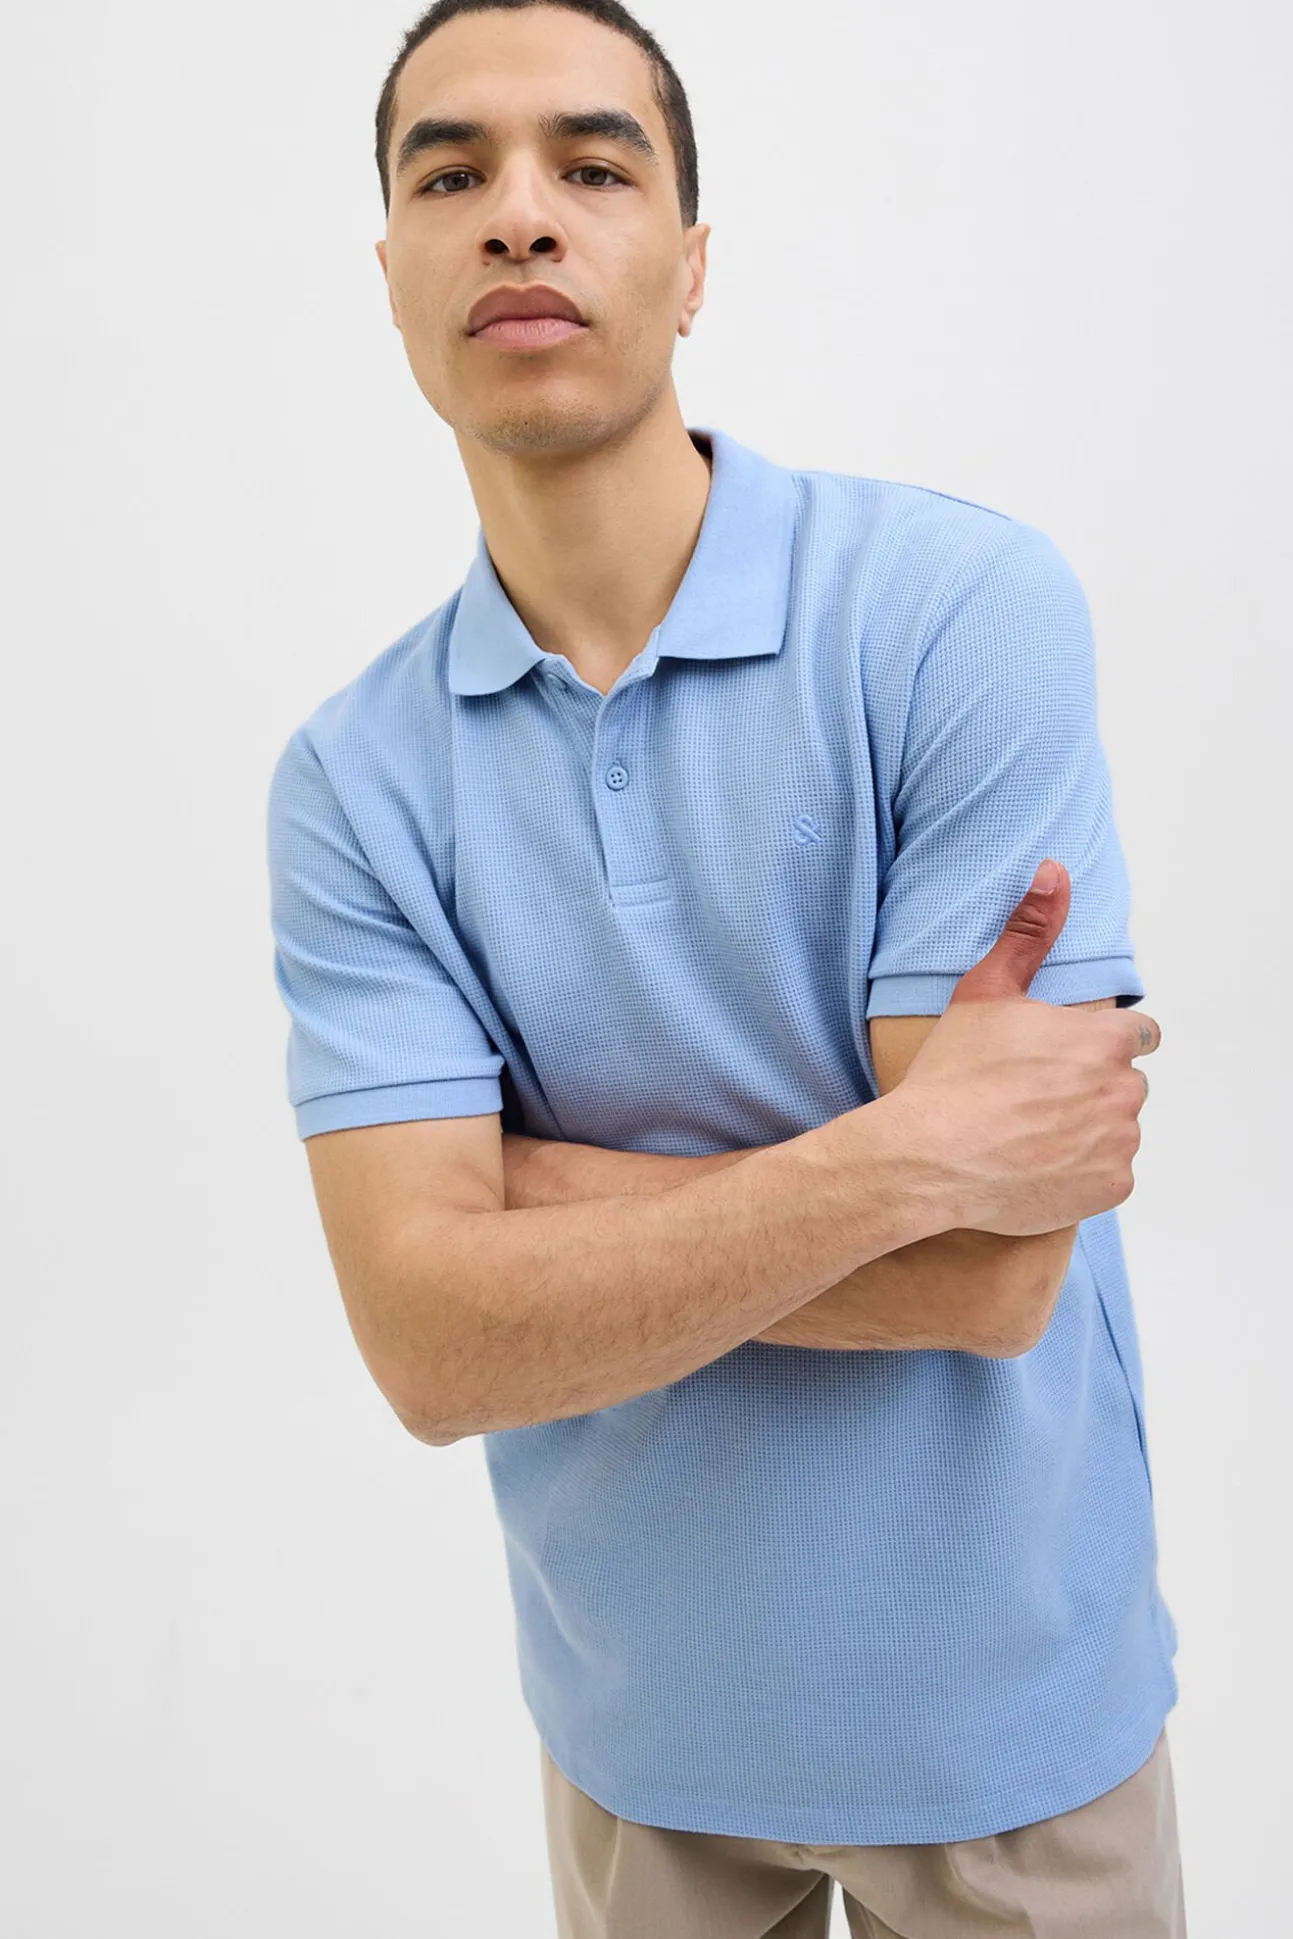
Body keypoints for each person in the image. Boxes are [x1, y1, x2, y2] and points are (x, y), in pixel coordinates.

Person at [265, 3, 1186, 1932]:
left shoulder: (948, 613)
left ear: (690, 265)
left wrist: (523, 1206)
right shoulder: (356, 783)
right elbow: (429, 1348)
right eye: (454, 172)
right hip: (637, 1739)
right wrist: (904, 1155)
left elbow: (997, 1272)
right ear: (394, 274)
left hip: (1008, 1729)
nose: (521, 214)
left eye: (593, 166)